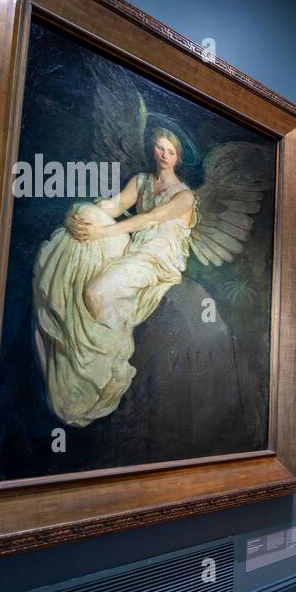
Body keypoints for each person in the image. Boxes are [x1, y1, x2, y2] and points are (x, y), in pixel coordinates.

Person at [34, 128, 197, 427]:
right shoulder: (142, 182)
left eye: (170, 151)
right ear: (153, 149)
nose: (163, 154)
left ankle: (115, 361)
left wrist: (102, 231)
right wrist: (78, 216)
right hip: (133, 248)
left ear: (178, 158)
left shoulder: (185, 196)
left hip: (157, 259)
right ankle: (68, 320)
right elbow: (116, 205)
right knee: (86, 213)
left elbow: (148, 220)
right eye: (159, 147)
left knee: (96, 293)